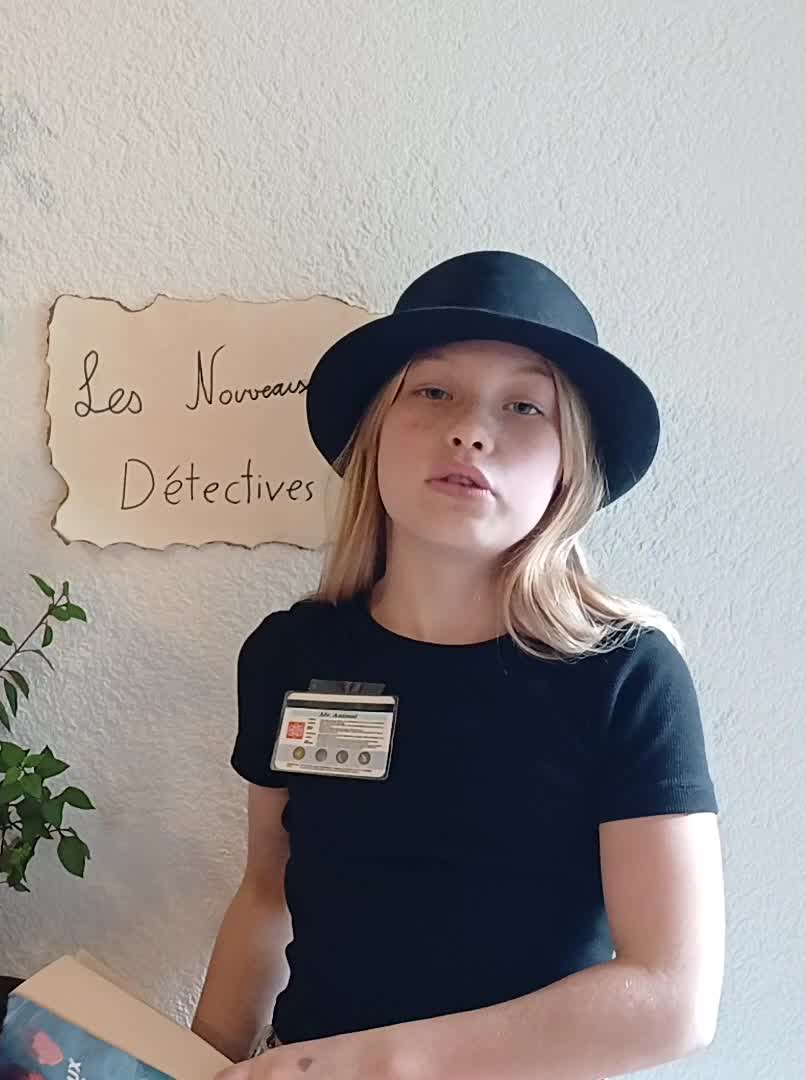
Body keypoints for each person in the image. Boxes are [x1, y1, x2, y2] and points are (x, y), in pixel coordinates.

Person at [191, 251, 725, 1079]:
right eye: (434, 392)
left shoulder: (625, 675)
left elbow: (671, 999)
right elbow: (267, 892)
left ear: (570, 467)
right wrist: (193, 1064)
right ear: (375, 433)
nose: (471, 430)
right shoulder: (290, 654)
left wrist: (362, 1067)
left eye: (524, 405)